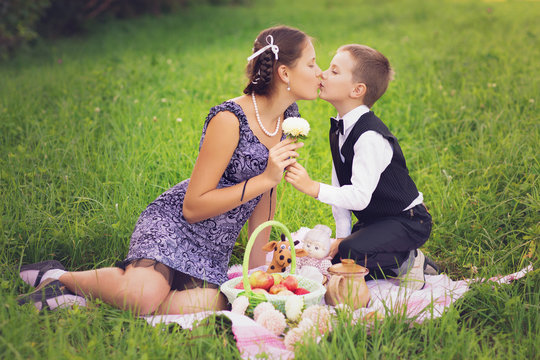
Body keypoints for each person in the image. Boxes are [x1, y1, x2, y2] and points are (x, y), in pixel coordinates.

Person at [18, 25, 322, 314]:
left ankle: (96, 298)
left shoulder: (288, 118)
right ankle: (60, 277)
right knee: (144, 296)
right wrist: (266, 178)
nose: (319, 72)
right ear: (284, 72)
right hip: (175, 226)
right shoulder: (229, 119)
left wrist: (261, 277)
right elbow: (192, 207)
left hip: (214, 246)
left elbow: (265, 200)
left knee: (229, 300)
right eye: (312, 64)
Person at [285, 44, 434, 290]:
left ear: (357, 90)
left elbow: (359, 197)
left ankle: (409, 259)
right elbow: (339, 185)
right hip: (377, 221)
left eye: (334, 71)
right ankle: (396, 259)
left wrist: (312, 187)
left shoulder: (370, 137)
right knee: (336, 255)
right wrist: (341, 234)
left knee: (351, 252)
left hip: (408, 221)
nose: (322, 74)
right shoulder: (340, 128)